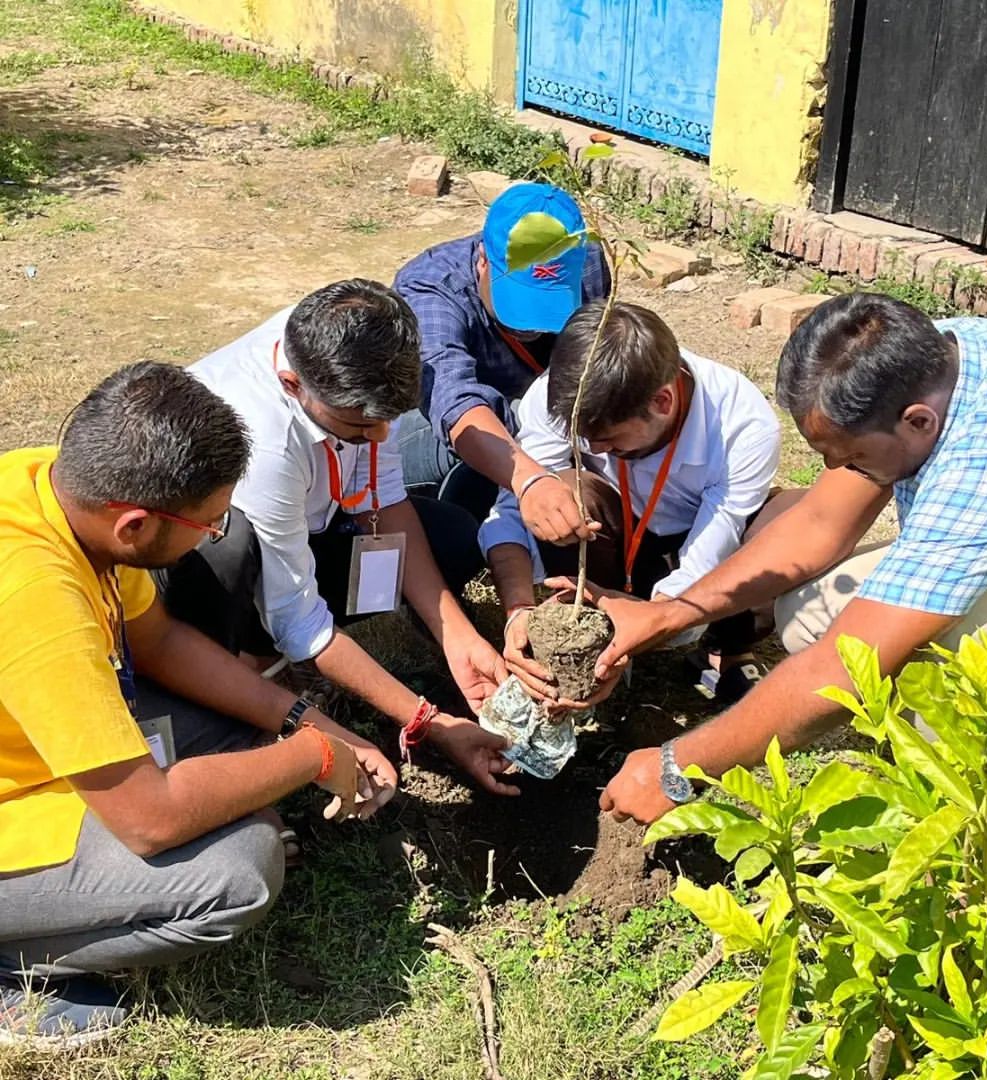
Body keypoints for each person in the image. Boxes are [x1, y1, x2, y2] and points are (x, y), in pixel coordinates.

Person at [0, 363, 397, 1046]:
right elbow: (151, 820)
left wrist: (305, 722)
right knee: (238, 871)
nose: (217, 534)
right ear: (133, 526)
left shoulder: (53, 487)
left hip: (33, 749)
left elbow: (157, 641)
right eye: (209, 524)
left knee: (242, 747)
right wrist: (313, 756)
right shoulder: (37, 600)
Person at [592, 294, 987, 823]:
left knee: (926, 654)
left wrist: (676, 766)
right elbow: (819, 524)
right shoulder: (935, 357)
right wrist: (669, 613)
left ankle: (985, 806)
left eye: (853, 457)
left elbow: (846, 663)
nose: (835, 469)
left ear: (917, 422)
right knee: (811, 609)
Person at [160, 279, 518, 799]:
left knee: (454, 537)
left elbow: (384, 495)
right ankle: (244, 667)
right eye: (358, 429)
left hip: (311, 521)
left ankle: (280, 655)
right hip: (216, 554)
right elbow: (299, 619)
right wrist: (429, 721)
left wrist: (457, 637)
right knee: (231, 548)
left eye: (386, 421)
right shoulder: (261, 443)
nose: (380, 437)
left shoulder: (359, 354)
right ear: (293, 385)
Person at [478, 301, 781, 705]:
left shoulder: (742, 427)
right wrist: (517, 610)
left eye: (609, 439)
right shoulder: (559, 397)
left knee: (784, 524)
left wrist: (651, 625)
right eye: (584, 440)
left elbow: (706, 558)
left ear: (662, 402)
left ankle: (725, 647)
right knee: (563, 489)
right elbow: (513, 509)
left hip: (695, 552)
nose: (594, 449)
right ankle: (591, 641)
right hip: (615, 539)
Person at [392, 182, 610, 528]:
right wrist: (531, 481)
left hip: (542, 418)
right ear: (483, 261)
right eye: (519, 299)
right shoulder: (430, 289)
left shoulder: (589, 263)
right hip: (437, 429)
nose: (533, 326)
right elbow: (453, 402)